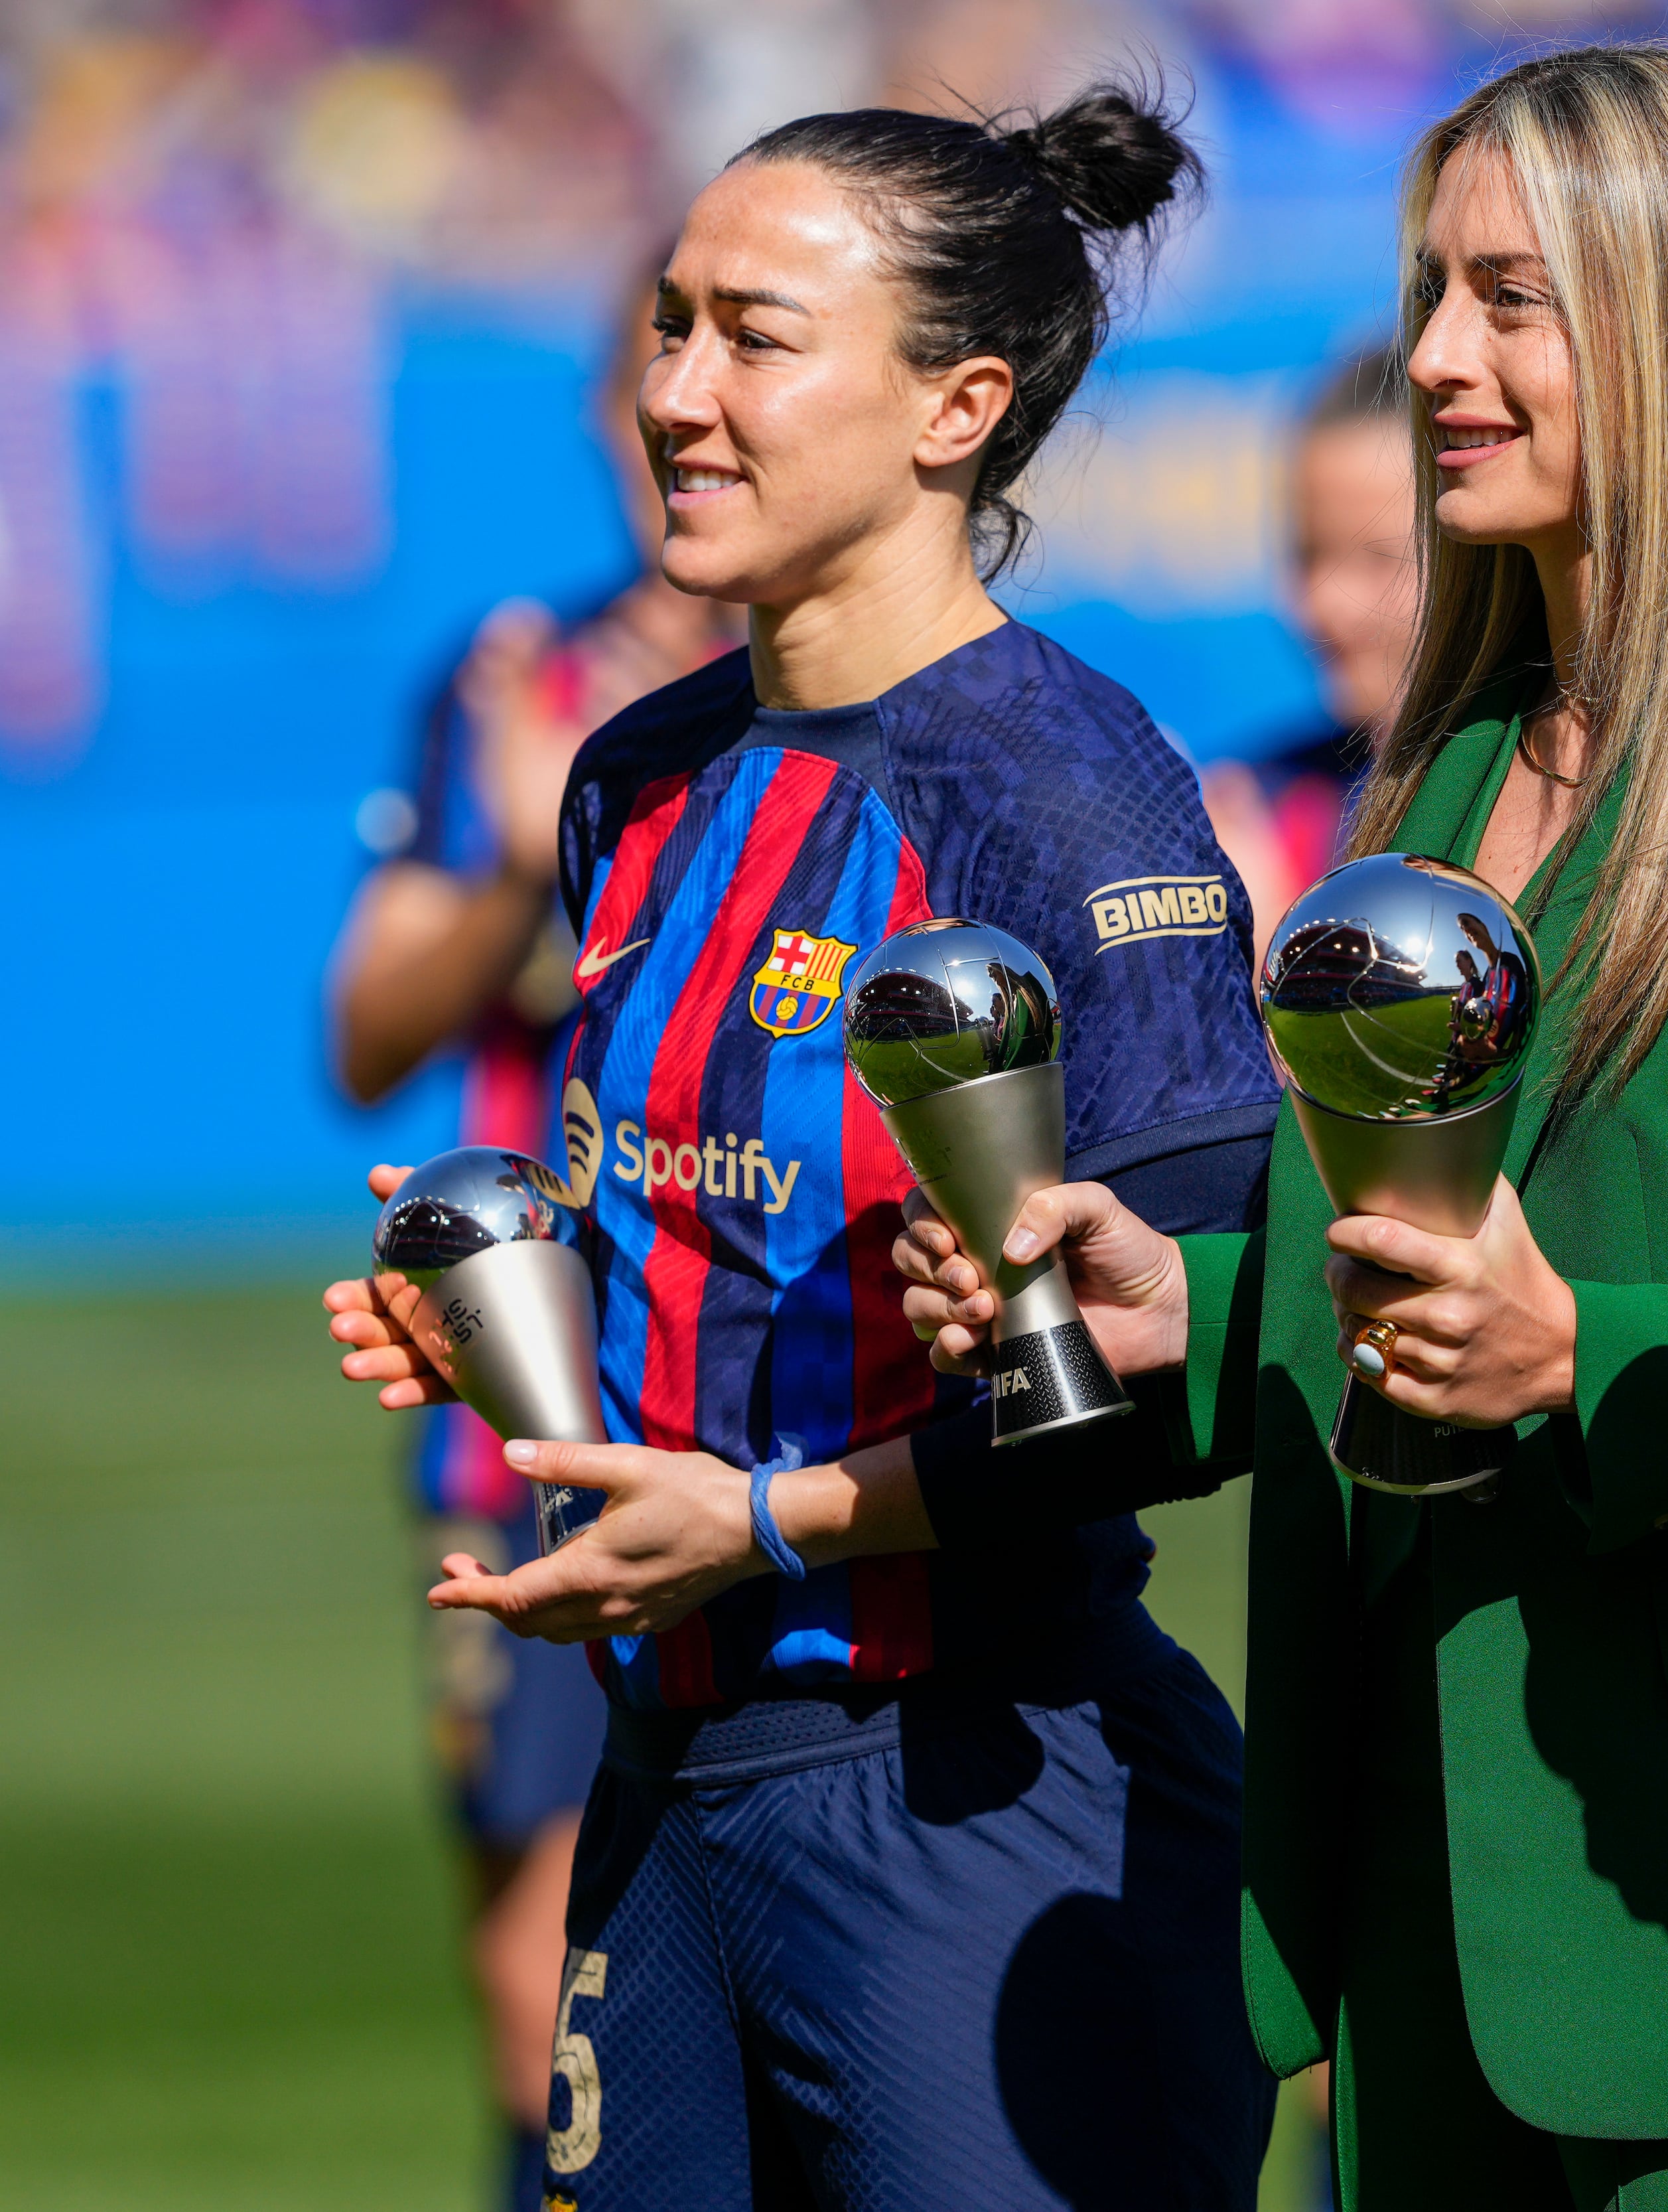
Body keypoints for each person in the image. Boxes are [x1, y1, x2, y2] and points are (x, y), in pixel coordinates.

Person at [898, 42, 1668, 2209]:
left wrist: (1585, 1364)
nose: (1435, 357)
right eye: (1438, 288)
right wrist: (1189, 1311)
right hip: (1410, 1889)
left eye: (1514, 299)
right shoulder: (1449, 768)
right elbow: (1408, 1288)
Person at [322, 82, 1282, 2209]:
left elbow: (1182, 1371)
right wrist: (507, 1308)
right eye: (669, 325)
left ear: (958, 406)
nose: (674, 392)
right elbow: (687, 1231)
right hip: (670, 1789)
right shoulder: (640, 772)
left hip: (977, 1805)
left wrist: (771, 1526)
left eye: (754, 337)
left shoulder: (1065, 799)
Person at [324, 267, 740, 2212]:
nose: (688, 406)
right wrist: (511, 857)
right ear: (603, 413)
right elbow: (366, 1034)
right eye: (655, 361)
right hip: (523, 1400)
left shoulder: (872, 697)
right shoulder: (519, 678)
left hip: (790, 1386)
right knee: (541, 1990)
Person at [1201, 344, 1415, 955]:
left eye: (1380, 560)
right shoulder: (1254, 812)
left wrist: (1277, 967)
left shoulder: (1559, 812)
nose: (1321, 606)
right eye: (1308, 554)